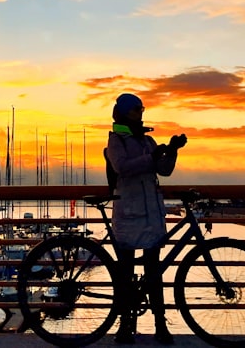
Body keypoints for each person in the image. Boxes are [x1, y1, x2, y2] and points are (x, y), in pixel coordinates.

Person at [105, 92, 187, 345]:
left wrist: (172, 150)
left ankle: (160, 325)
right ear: (123, 113)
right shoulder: (116, 140)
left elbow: (165, 170)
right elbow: (123, 168)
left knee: (154, 274)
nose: (140, 113)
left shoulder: (147, 140)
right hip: (128, 213)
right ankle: (125, 326)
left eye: (141, 109)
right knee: (126, 273)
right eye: (135, 110)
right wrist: (151, 157)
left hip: (151, 215)